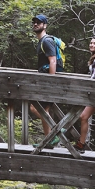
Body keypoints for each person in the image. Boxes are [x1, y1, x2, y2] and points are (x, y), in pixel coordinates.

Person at [30, 14, 62, 146]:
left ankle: (56, 131)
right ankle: (49, 140)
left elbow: (53, 61)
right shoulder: (41, 41)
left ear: (45, 25)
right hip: (46, 79)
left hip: (49, 81)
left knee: (34, 108)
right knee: (45, 110)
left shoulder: (47, 41)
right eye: (34, 22)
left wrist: (51, 82)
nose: (35, 24)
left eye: (39, 22)